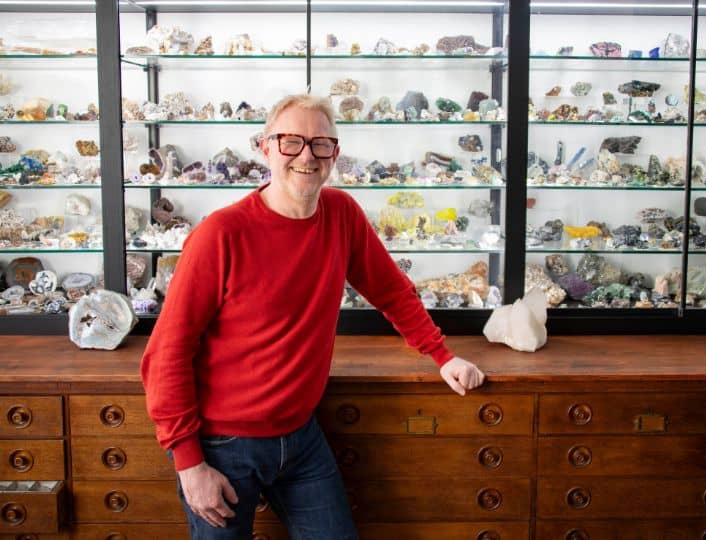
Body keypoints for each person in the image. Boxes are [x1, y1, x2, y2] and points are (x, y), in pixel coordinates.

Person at [141, 93, 486, 540]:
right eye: (291, 141)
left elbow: (393, 292)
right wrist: (189, 463)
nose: (307, 156)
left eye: (321, 144)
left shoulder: (342, 215)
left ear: (334, 154)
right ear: (265, 148)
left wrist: (442, 355)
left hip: (300, 436)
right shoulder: (220, 235)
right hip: (223, 445)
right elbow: (166, 355)